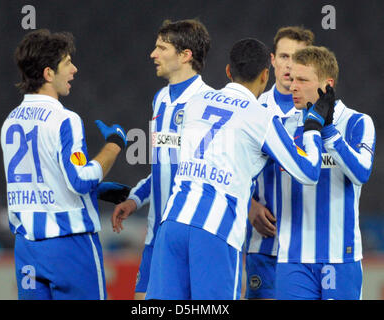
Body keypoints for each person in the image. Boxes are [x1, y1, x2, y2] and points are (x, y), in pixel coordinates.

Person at [145, 38, 333, 300]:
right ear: (265, 75)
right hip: (215, 230)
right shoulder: (261, 117)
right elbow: (309, 172)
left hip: (173, 222)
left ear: (228, 71)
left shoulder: (195, 102)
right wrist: (313, 125)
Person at [0, 29, 127, 300]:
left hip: (27, 249)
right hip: (69, 246)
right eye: (67, 63)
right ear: (48, 73)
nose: (74, 70)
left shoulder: (11, 120)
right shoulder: (63, 119)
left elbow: (40, 180)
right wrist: (115, 144)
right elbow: (80, 180)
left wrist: (99, 190)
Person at [111, 19, 212, 300]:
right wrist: (135, 198)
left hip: (192, 236)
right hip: (157, 233)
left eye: (161, 47)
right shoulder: (160, 100)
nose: (152, 54)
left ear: (185, 55)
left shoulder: (208, 103)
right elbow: (162, 165)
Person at [275, 46, 376, 300]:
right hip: (293, 257)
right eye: (291, 79)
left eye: (302, 80)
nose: (293, 87)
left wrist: (328, 131)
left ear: (327, 84)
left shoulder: (358, 122)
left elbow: (362, 172)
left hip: (341, 256)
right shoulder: (282, 126)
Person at [245, 26, 314, 300]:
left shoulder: (321, 115)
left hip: (310, 247)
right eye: (284, 56)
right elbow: (229, 166)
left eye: (297, 58)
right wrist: (249, 207)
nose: (289, 65)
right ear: (272, 60)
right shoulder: (252, 109)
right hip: (264, 245)